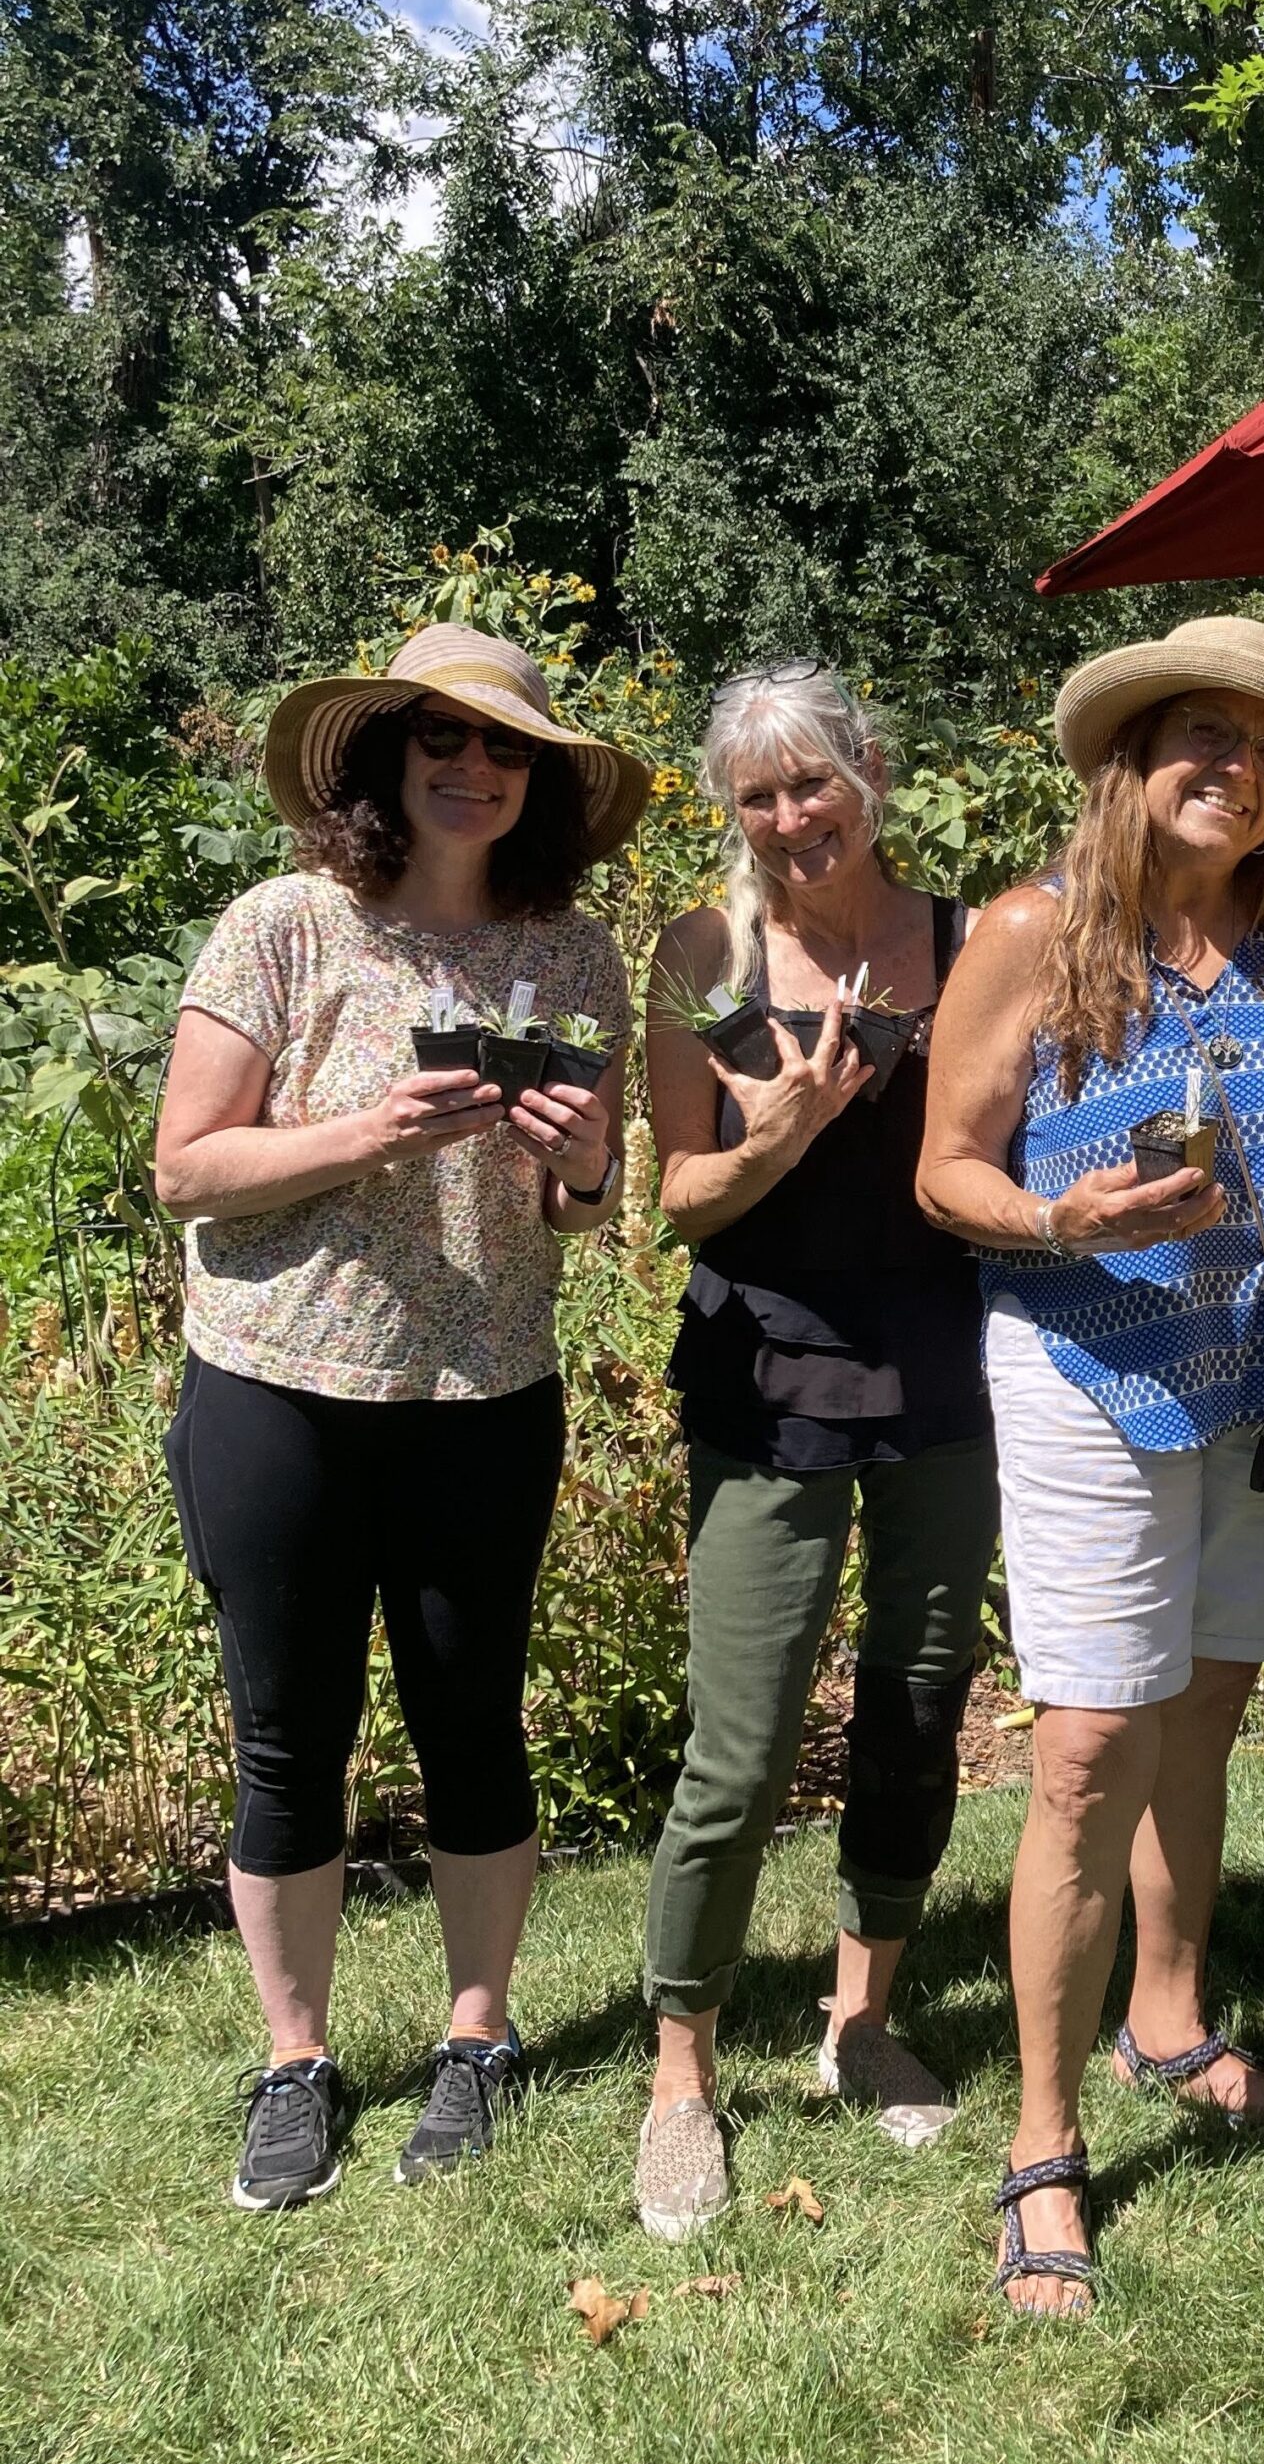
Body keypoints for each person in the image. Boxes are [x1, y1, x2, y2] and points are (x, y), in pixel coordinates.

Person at [919, 617, 1264, 2316]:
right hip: (1088, 1364)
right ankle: (1040, 2142)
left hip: (1263, 1383)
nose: (1231, 768)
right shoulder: (1041, 937)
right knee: (1091, 1740)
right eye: (1198, 735)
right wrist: (1060, 1215)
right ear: (1132, 759)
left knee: (1207, 1704)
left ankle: (1170, 2023)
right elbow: (944, 1172)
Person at [154, 624, 643, 2209]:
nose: (475, 768)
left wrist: (574, 1158)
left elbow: (591, 1207)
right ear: (381, 758)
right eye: (442, 739)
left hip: (485, 1395)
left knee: (472, 1722)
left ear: (540, 784)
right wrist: (368, 1132)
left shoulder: (570, 958)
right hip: (278, 1389)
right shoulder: (287, 926)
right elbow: (185, 1169)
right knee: (289, 1736)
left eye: (508, 750)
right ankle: (296, 2062)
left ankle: (478, 2036)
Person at [632, 661, 998, 2240]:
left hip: (945, 1380)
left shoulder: (976, 944)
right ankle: (678, 2080)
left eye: (814, 783)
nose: (791, 818)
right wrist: (774, 1133)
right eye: (758, 795)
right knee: (744, 1738)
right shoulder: (705, 955)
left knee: (919, 1703)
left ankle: (863, 2020)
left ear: (871, 775)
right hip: (768, 1383)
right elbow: (675, 1200)